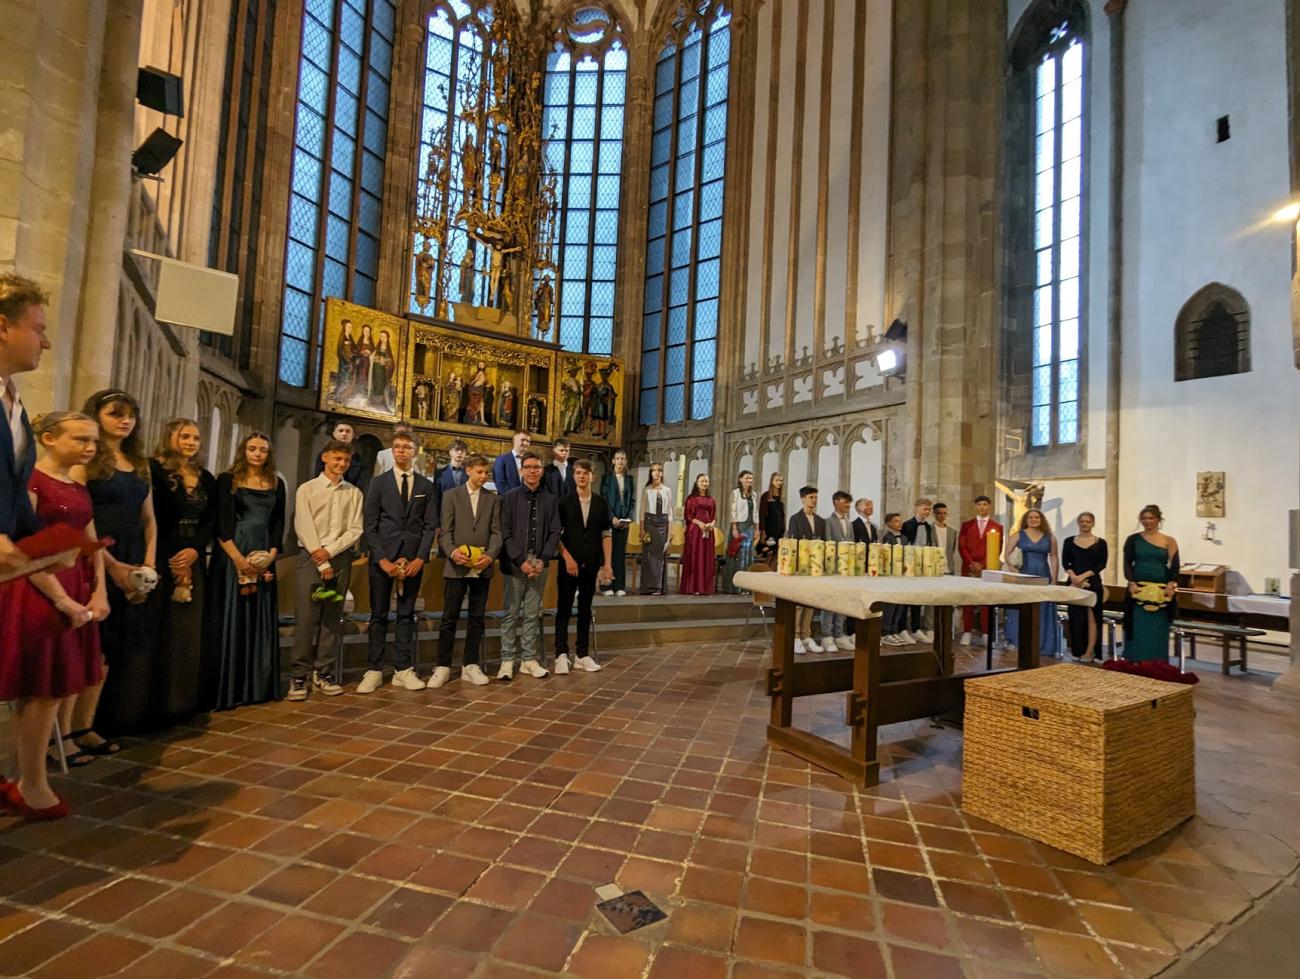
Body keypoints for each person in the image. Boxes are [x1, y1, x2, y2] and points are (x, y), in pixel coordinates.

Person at [0, 412, 107, 818]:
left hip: (77, 584)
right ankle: (30, 780)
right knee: (40, 688)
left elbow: (90, 538)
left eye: (93, 441)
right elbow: (25, 547)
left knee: (56, 689)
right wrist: (62, 600)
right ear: (48, 438)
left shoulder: (77, 482)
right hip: (37, 590)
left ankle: (26, 777)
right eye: (81, 439)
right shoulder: (30, 483)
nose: (90, 448)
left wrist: (99, 589)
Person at [81, 389, 158, 737]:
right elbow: (84, 517)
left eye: (130, 414)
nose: (125, 420)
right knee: (96, 643)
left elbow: (149, 519)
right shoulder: (88, 459)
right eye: (115, 413)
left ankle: (115, 719)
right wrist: (111, 564)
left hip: (134, 555)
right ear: (96, 416)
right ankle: (82, 727)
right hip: (97, 554)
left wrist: (148, 567)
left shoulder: (139, 461)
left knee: (124, 644)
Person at [210, 432, 285, 710]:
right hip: (234, 551)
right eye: (252, 449)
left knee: (260, 617)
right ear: (243, 450)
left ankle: (258, 686)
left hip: (264, 552)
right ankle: (230, 688)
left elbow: (278, 524)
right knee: (234, 616)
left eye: (263, 450)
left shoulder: (276, 482)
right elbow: (222, 522)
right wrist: (238, 559)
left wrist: (272, 555)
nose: (257, 454)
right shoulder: (227, 480)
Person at [149, 418, 216, 723]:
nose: (191, 442)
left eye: (196, 438)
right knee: (160, 629)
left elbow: (210, 521)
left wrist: (194, 551)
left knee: (189, 631)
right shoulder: (154, 471)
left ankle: (185, 701)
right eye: (185, 436)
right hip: (162, 556)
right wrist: (175, 556)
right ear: (170, 437)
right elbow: (153, 517)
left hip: (194, 559)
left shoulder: (206, 478)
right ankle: (157, 703)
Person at [359, 431, 436, 693]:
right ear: (392, 451)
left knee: (406, 614)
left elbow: (429, 526)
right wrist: (381, 559)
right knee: (378, 614)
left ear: (415, 451)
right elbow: (370, 525)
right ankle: (374, 669)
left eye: (406, 447)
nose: (401, 451)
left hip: (412, 559)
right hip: (383, 558)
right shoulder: (378, 483)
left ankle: (403, 669)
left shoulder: (426, 486)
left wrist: (419, 558)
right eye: (397, 447)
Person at [290, 439, 363, 701]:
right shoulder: (307, 489)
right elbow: (303, 523)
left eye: (345, 460)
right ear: (324, 458)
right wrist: (320, 558)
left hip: (340, 560)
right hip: (311, 559)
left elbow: (355, 529)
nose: (341, 464)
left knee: (332, 616)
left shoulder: (354, 493)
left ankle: (324, 672)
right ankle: (299, 675)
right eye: (336, 459)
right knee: (308, 617)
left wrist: (330, 553)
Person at [433, 454, 500, 688]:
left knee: (476, 617)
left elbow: (496, 532)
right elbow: (445, 531)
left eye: (486, 473)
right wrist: (452, 553)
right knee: (449, 617)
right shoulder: (451, 496)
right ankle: (442, 665)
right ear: (469, 470)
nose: (483, 476)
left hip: (482, 566)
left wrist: (490, 555)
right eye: (479, 472)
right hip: (456, 565)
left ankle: (470, 664)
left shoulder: (492, 499)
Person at [498, 451, 560, 680]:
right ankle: (506, 659)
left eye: (537, 467)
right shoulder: (510, 497)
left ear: (542, 471)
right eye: (529, 467)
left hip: (539, 564)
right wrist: (520, 560)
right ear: (521, 470)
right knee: (511, 613)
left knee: (533, 613)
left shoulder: (550, 499)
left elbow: (554, 533)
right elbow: (505, 532)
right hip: (515, 564)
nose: (533, 471)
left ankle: (528, 659)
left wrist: (543, 559)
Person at [0, 274, 46, 577]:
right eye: (38, 330)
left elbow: (14, 495)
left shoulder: (16, 406)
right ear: (3, 327)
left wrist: (41, 549)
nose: (47, 342)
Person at [554, 459, 613, 673]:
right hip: (569, 563)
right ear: (573, 476)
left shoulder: (601, 502)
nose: (581, 476)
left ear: (592, 476)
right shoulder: (564, 502)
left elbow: (606, 534)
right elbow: (556, 535)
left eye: (585, 473)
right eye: (578, 473)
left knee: (585, 610)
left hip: (591, 564)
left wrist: (607, 564)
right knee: (564, 609)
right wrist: (567, 558)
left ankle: (582, 654)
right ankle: (561, 654)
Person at [1123, 504, 1179, 663]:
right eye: (1144, 518)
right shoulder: (1133, 539)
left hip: (1161, 590)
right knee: (1138, 627)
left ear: (1158, 519)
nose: (1147, 521)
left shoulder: (1169, 540)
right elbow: (1127, 562)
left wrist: (1171, 584)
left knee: (1158, 628)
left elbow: (1174, 564)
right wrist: (1131, 581)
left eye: (1151, 518)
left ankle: (1157, 661)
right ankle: (1135, 659)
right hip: (1138, 588)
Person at [1003, 508, 1060, 657]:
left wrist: (1054, 579)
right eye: (1030, 517)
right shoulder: (1018, 535)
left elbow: (1054, 557)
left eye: (1037, 517)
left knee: (1042, 608)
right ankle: (1016, 641)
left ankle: (1042, 644)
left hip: (1042, 575)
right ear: (1026, 520)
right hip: (1023, 575)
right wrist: (1012, 569)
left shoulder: (1050, 537)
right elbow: (1006, 554)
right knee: (1020, 606)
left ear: (1041, 520)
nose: (1034, 520)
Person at [1063, 511, 1108, 662]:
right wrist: (1074, 577)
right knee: (1076, 618)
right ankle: (1077, 651)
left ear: (1093, 523)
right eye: (1082, 521)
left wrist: (1083, 576)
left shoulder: (1100, 543)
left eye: (1088, 522)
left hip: (1092, 582)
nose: (1084, 524)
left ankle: (1090, 651)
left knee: (1092, 617)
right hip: (1074, 583)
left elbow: (1101, 564)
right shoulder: (1069, 541)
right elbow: (1065, 562)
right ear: (1078, 523)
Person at [958, 495, 1002, 646]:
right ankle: (967, 632)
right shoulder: (966, 525)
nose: (982, 507)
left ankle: (986, 633)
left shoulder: (997, 527)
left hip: (987, 568)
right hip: (969, 567)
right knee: (968, 600)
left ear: (989, 506)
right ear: (975, 507)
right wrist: (971, 563)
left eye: (985, 504)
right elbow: (962, 546)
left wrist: (982, 565)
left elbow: (997, 549)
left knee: (986, 600)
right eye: (979, 504)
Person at [786, 486, 826, 653]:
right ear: (803, 499)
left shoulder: (821, 521)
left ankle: (806, 635)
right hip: (800, 565)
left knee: (810, 602)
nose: (814, 500)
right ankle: (795, 637)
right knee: (798, 604)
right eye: (811, 497)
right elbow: (793, 541)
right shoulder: (795, 519)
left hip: (815, 567)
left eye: (816, 497)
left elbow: (823, 542)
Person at [820, 491, 856, 651]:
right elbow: (827, 543)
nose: (848, 505)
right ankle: (826, 636)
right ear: (835, 502)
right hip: (833, 567)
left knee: (843, 601)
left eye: (849, 503)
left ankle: (839, 634)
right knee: (829, 602)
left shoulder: (849, 522)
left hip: (846, 568)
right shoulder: (828, 521)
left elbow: (853, 543)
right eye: (845, 502)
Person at [599, 449, 635, 596]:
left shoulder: (629, 479)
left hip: (624, 522)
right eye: (618, 458)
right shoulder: (606, 478)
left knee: (620, 554)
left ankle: (619, 586)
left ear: (626, 462)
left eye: (623, 458)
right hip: (609, 521)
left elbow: (632, 501)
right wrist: (612, 517)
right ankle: (606, 586)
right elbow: (604, 500)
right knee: (607, 554)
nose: (620, 461)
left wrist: (628, 518)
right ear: (613, 461)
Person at [901, 498, 935, 643]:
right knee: (905, 599)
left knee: (918, 598)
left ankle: (916, 628)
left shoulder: (928, 526)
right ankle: (902, 629)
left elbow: (928, 543)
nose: (926, 512)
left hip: (921, 565)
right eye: (924, 509)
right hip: (908, 565)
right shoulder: (908, 524)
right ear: (917, 508)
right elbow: (903, 543)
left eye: (928, 509)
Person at [680, 474, 717, 596]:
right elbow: (688, 516)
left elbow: (714, 516)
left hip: (708, 532)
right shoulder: (691, 499)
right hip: (695, 531)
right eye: (702, 481)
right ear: (697, 482)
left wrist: (712, 524)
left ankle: (705, 587)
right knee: (696, 558)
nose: (704, 483)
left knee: (706, 558)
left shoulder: (711, 499)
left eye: (706, 481)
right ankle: (693, 586)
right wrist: (700, 524)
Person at [639, 463, 671, 595]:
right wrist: (641, 529)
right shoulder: (646, 490)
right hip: (650, 522)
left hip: (662, 523)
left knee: (660, 556)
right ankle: (648, 587)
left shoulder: (667, 490)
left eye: (659, 471)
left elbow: (669, 512)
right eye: (654, 471)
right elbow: (642, 511)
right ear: (651, 473)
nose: (657, 473)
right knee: (649, 556)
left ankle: (658, 587)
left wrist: (670, 532)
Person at [315, 419, 371, 494]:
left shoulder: (361, 461)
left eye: (348, 431)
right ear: (334, 434)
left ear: (353, 435)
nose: (344, 434)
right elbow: (318, 478)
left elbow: (359, 487)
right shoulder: (324, 455)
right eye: (341, 431)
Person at [880, 513, 911, 645]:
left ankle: (894, 630)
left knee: (899, 604)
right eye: (896, 521)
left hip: (902, 575)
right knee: (890, 605)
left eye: (900, 521)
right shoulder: (886, 538)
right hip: (891, 575)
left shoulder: (904, 538)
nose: (900, 523)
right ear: (889, 524)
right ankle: (885, 632)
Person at [723, 470, 757, 593]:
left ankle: (746, 587)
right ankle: (734, 587)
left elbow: (755, 512)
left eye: (751, 479)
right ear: (741, 479)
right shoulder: (735, 493)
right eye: (747, 478)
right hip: (739, 525)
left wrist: (757, 528)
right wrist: (734, 528)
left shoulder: (753, 494)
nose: (749, 481)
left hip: (750, 526)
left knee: (748, 556)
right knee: (738, 555)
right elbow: (733, 511)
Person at [432, 438, 469, 537]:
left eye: (463, 451)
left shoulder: (469, 474)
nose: (460, 453)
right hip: (445, 518)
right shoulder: (440, 473)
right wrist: (437, 523)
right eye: (457, 450)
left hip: (464, 520)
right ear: (450, 452)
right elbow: (436, 499)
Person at [756, 473, 785, 564]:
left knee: (776, 554)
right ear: (772, 482)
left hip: (778, 531)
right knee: (767, 552)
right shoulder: (766, 496)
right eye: (777, 480)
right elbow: (762, 515)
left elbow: (782, 516)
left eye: (780, 480)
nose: (779, 482)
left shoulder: (780, 498)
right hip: (769, 530)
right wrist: (763, 531)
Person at [932, 502, 958, 574]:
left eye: (944, 513)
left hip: (948, 568)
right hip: (933, 568)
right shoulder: (929, 529)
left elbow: (951, 550)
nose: (942, 515)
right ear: (934, 514)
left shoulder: (952, 532)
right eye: (939, 513)